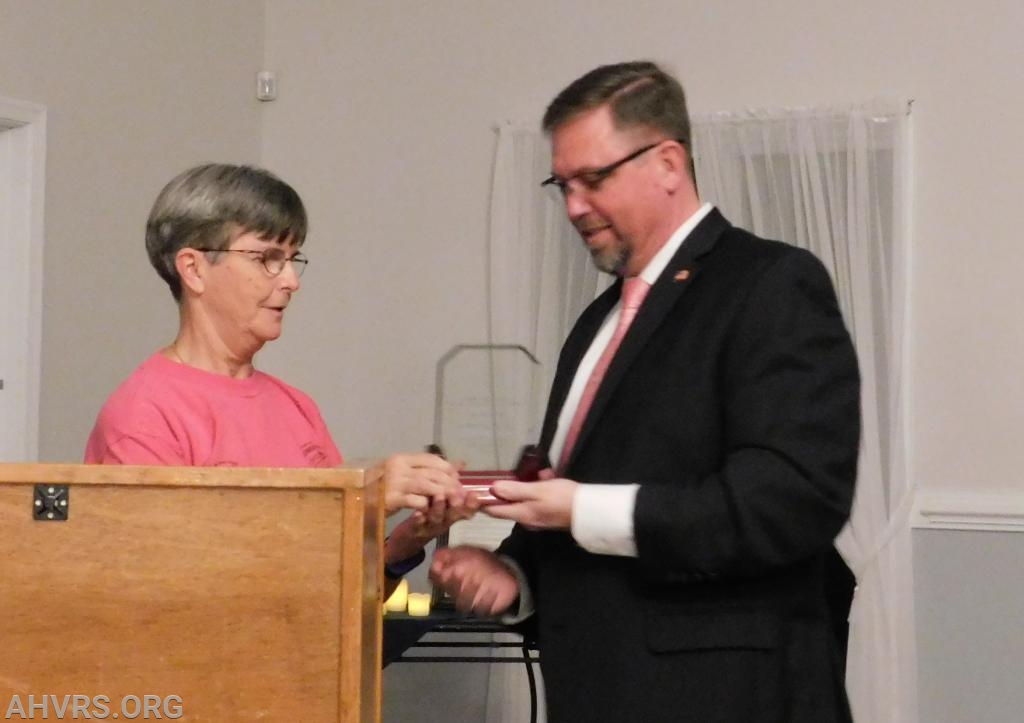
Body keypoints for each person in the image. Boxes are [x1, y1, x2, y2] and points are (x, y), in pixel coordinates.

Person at [429, 61, 860, 722]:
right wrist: (512, 572)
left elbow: (790, 500)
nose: (573, 206)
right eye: (561, 183)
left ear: (668, 162)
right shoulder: (596, 323)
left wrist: (580, 509)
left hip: (729, 697)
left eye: (594, 179)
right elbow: (573, 485)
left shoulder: (772, 284)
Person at [85, 163, 476, 585]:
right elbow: (177, 591)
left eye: (292, 259)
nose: (291, 281)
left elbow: (326, 599)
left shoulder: (296, 406)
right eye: (268, 258)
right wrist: (365, 498)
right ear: (194, 269)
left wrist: (401, 546)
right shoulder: (144, 417)